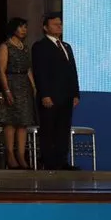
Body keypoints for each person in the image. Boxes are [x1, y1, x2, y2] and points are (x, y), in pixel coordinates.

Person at [32, 12, 80, 171]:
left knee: (63, 129)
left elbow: (72, 71)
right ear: (45, 27)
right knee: (49, 129)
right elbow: (40, 72)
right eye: (55, 24)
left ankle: (62, 161)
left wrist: (75, 93)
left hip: (66, 96)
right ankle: (49, 161)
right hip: (50, 96)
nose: (59, 26)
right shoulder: (40, 46)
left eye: (60, 24)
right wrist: (45, 94)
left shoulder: (66, 46)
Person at [0, 17, 35, 169]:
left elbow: (28, 69)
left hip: (24, 85)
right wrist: (6, 90)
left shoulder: (24, 47)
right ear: (13, 29)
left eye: (25, 27)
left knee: (23, 122)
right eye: (21, 27)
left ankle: (21, 155)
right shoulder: (5, 46)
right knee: (10, 121)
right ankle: (10, 154)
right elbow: (1, 70)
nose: (24, 30)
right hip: (10, 83)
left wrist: (33, 87)